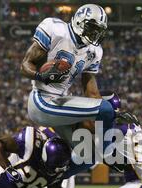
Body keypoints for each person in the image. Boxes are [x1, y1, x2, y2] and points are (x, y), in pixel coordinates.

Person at [21, 4, 134, 154]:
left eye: (98, 31)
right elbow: (25, 65)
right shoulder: (55, 29)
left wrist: (112, 116)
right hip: (41, 101)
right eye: (93, 28)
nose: (95, 34)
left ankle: (56, 177)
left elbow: (92, 93)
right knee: (106, 108)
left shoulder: (94, 51)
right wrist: (40, 76)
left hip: (61, 102)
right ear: (80, 21)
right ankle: (107, 152)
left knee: (87, 154)